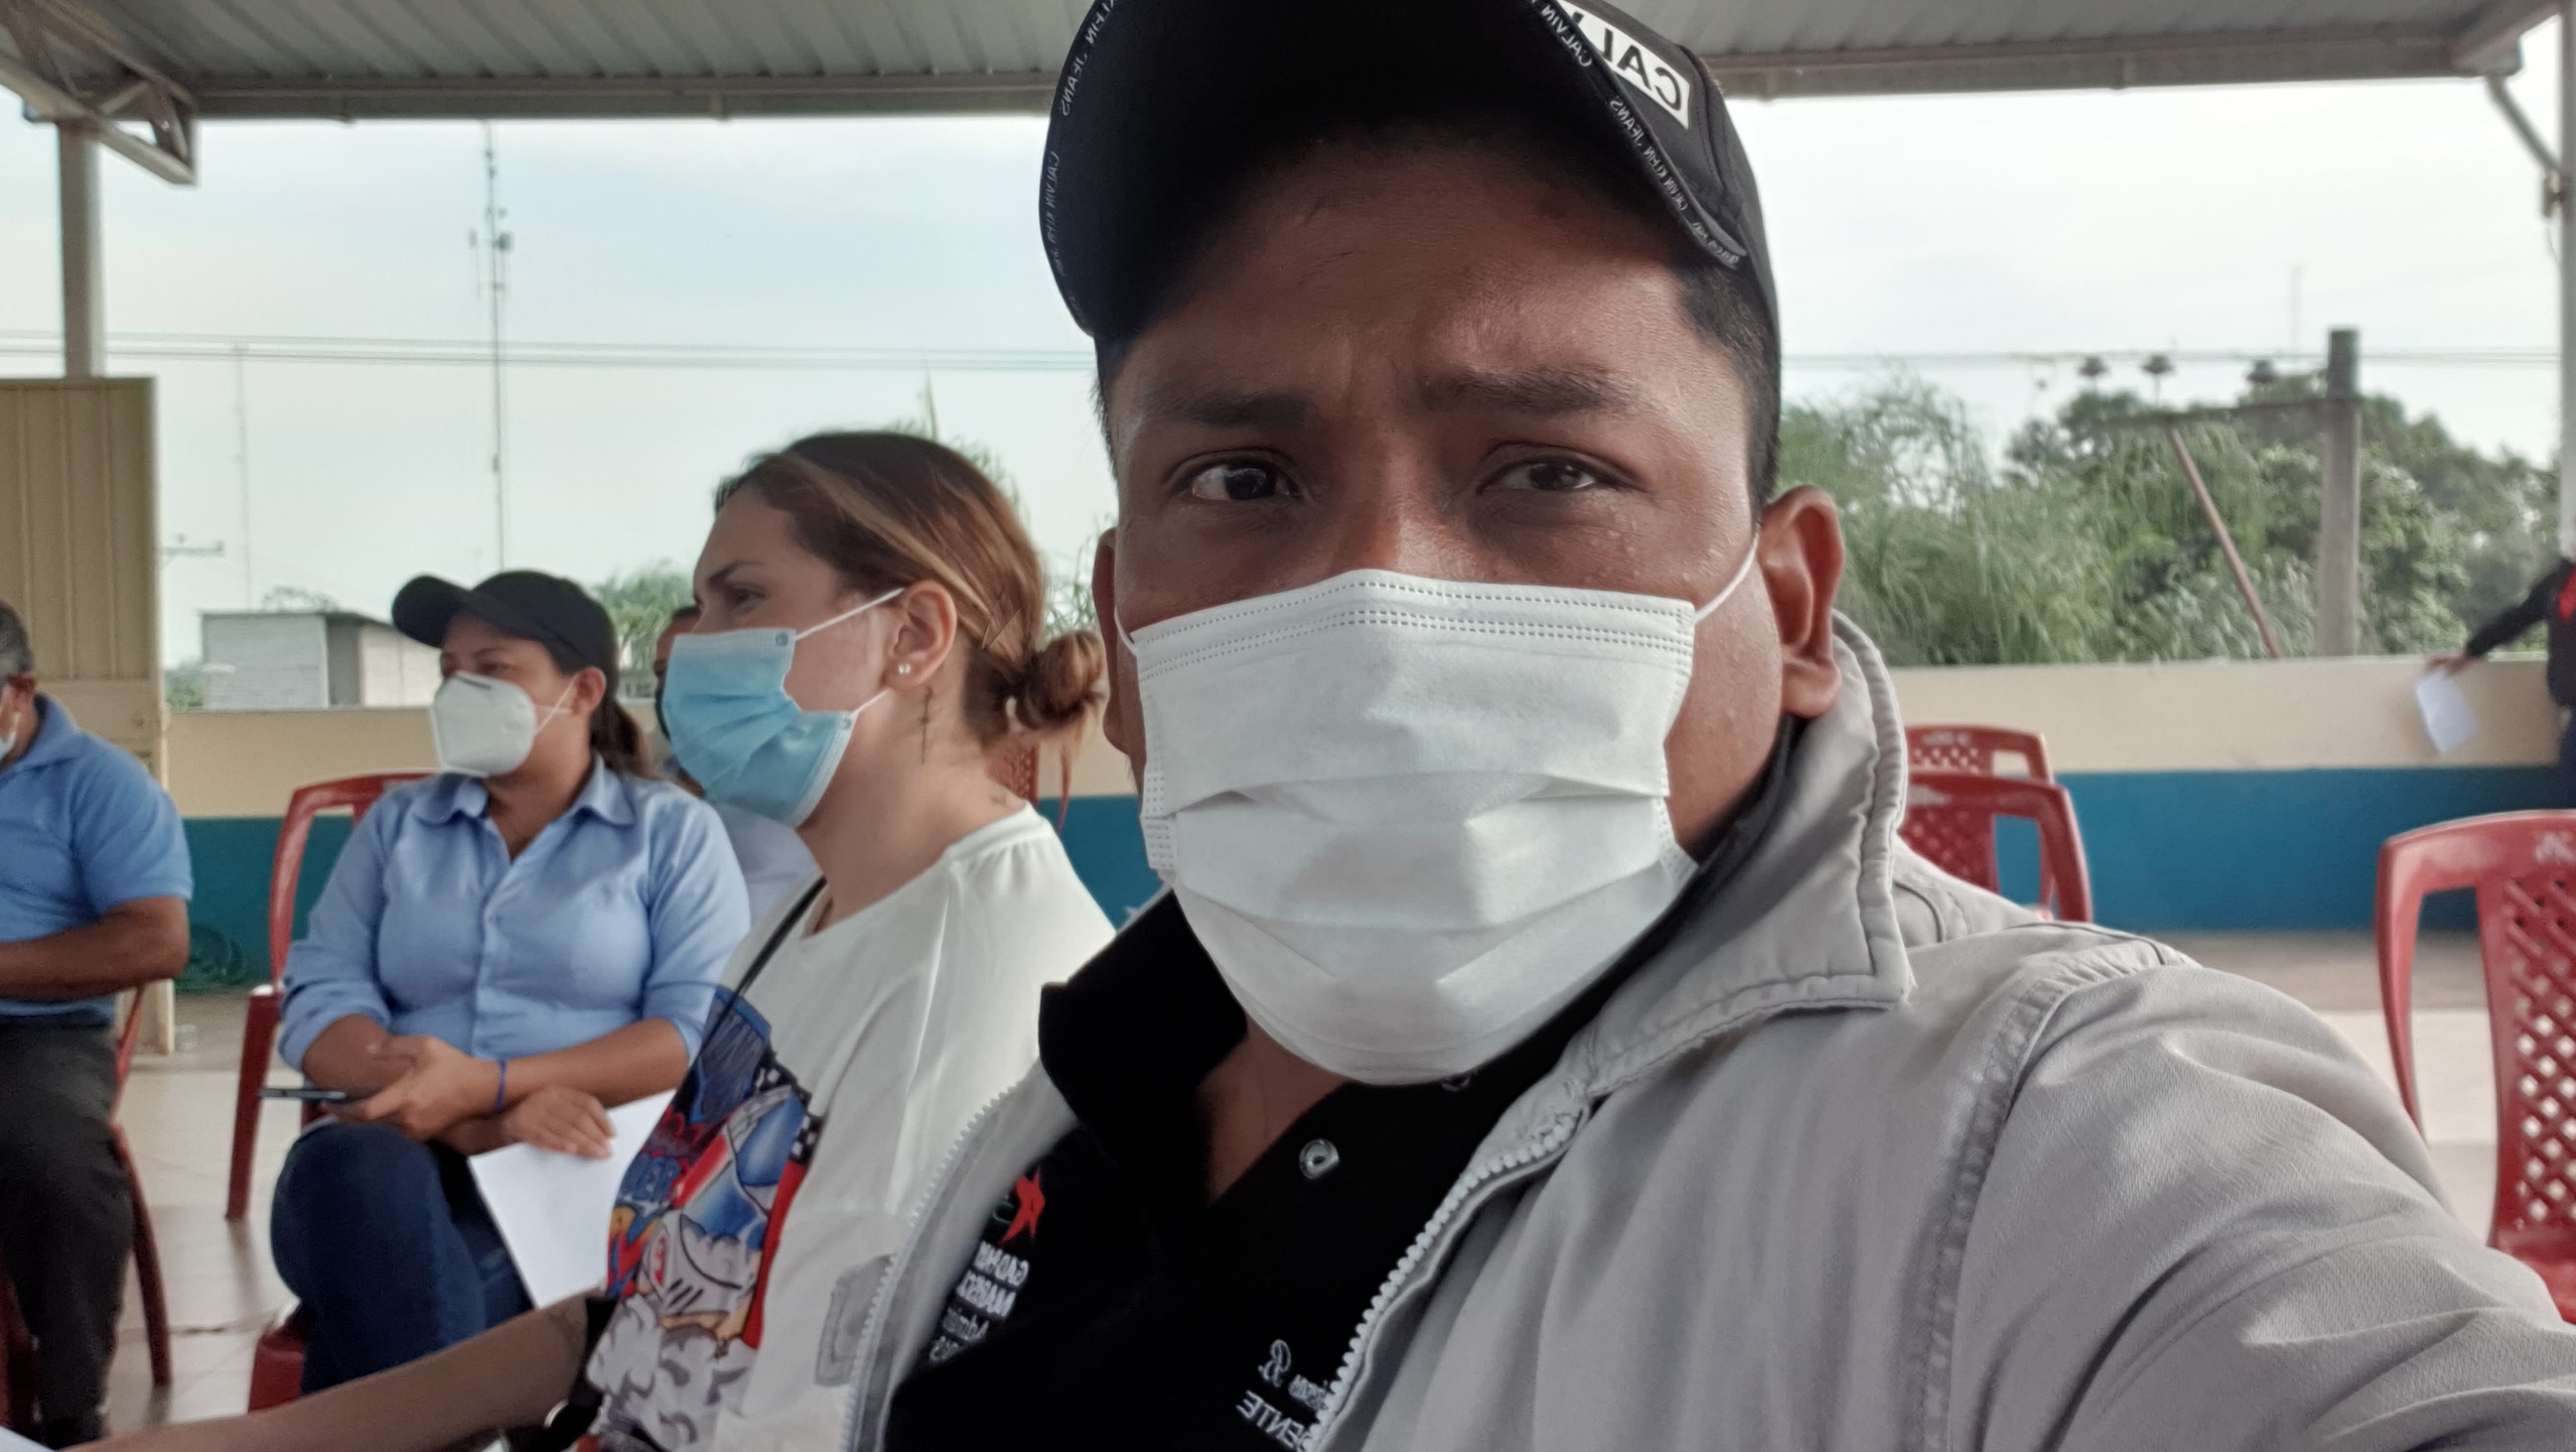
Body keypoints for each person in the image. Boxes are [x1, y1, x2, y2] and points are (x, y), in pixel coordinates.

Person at [875, 4, 2576, 1450]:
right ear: (1127, 624)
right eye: (1243, 480)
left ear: (1793, 603)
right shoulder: (1079, 1084)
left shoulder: (2039, 1139)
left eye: (1551, 472)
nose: (1380, 604)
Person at [93, 433, 1115, 1452]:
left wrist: (490, 1094)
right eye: (702, 605)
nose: (694, 650)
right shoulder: (806, 920)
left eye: (743, 599)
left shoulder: (970, 976)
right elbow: (633, 1320)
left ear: (914, 634)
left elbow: (804, 1420)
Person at [264, 570, 750, 1393]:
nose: (460, 692)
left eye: (492, 670)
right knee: (362, 1175)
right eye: (450, 673)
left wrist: (491, 1083)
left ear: (583, 690)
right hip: (383, 1154)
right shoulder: (398, 827)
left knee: (387, 1312)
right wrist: (474, 1120)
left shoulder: (670, 833)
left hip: (570, 1171)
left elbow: (694, 1033)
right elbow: (320, 996)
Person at [0, 599, 191, 1448]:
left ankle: (67, 1408)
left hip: (38, 1030)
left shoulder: (101, 784)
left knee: (56, 1164)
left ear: (19, 691)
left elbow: (156, 940)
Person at [653, 602, 819, 921]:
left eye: (691, 667)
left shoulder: (803, 791)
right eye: (662, 671)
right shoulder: (645, 793)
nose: (672, 685)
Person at [2434, 555, 2576, 799]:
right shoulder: (2562, 577)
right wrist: (2472, 650)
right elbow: (2521, 615)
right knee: (2569, 792)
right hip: (2570, 705)